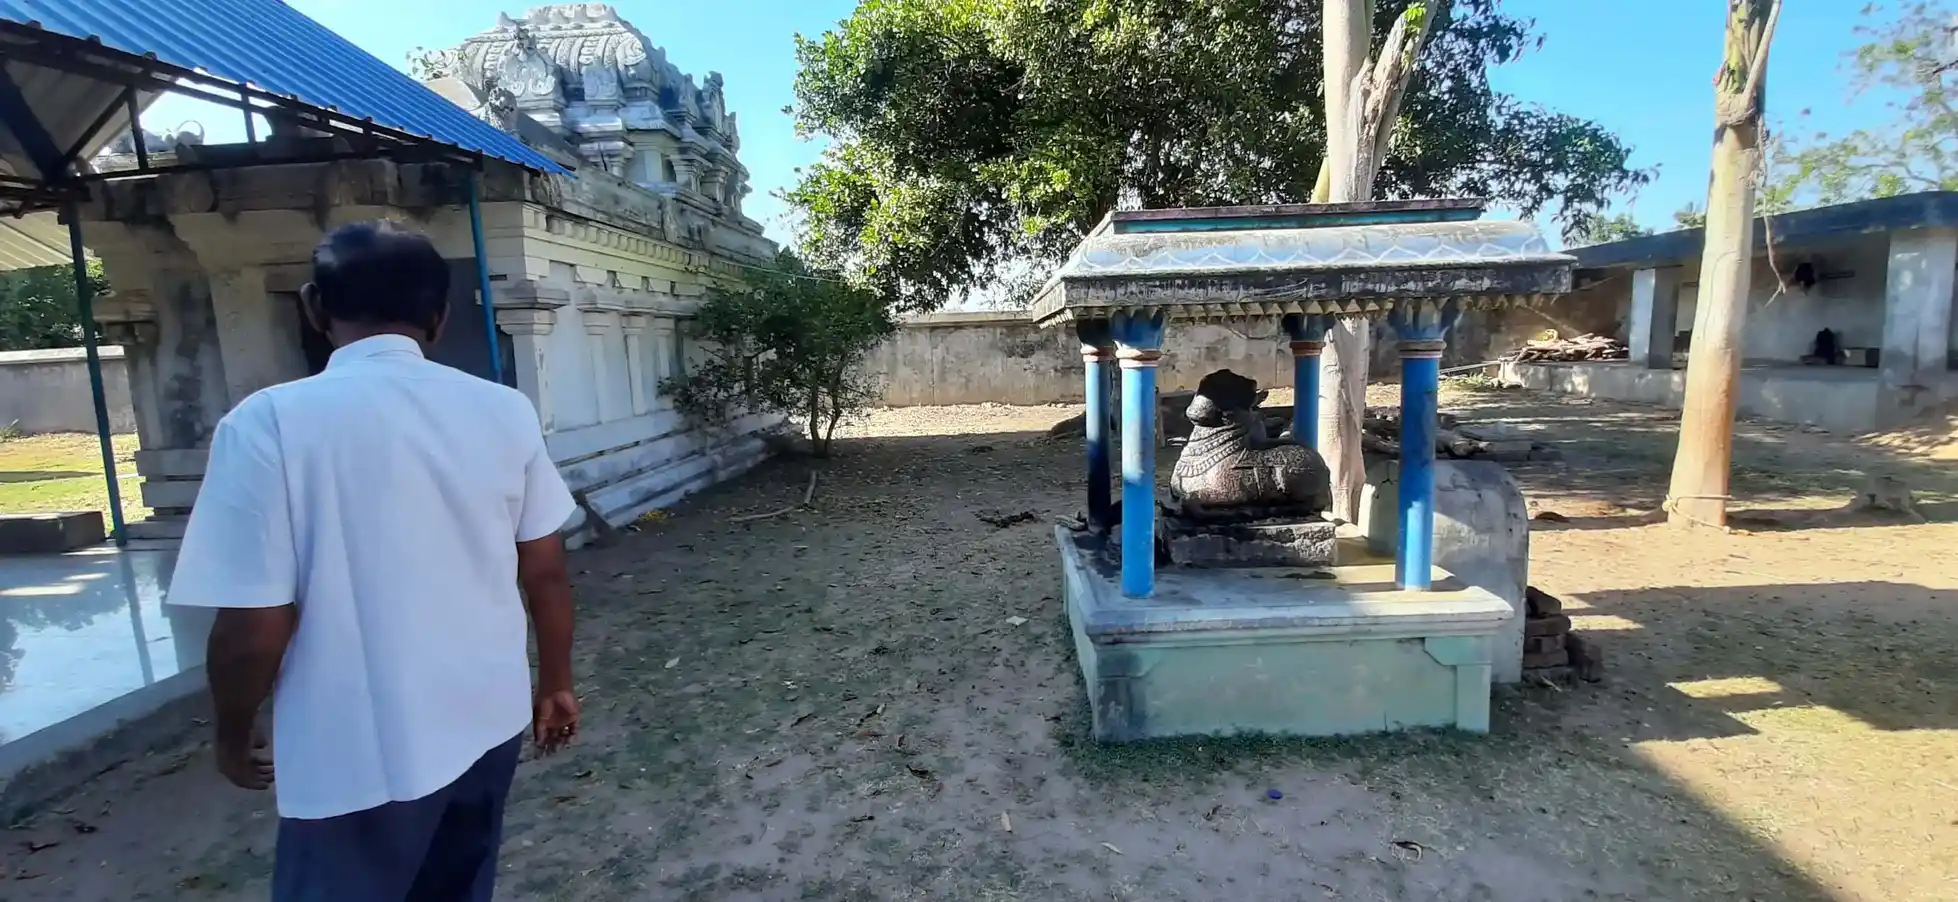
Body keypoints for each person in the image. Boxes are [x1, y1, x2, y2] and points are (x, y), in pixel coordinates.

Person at [166, 221, 580, 902]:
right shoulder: (503, 411)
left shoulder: (269, 423)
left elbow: (254, 625)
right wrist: (556, 681)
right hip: (488, 717)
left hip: (357, 748)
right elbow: (545, 571)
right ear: (439, 318)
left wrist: (232, 732)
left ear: (314, 308)